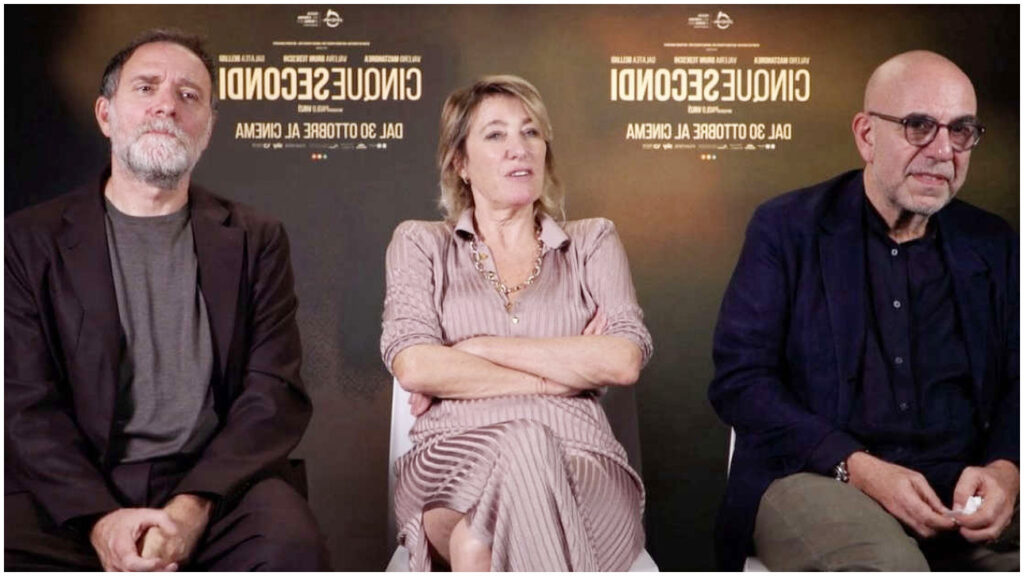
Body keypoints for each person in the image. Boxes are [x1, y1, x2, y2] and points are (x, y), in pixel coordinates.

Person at [5, 29, 329, 571]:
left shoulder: (256, 238)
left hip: (214, 486)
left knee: (290, 547)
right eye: (146, 87)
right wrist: (100, 521)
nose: (167, 105)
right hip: (72, 487)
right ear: (105, 115)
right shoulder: (26, 240)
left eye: (188, 95)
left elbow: (272, 392)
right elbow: (23, 403)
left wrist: (191, 508)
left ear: (208, 127)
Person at [709, 50, 1019, 571]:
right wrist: (857, 467)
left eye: (961, 130)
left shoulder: (993, 242)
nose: (944, 150)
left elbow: (1019, 377)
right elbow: (741, 382)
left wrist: (1008, 468)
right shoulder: (787, 229)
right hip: (818, 475)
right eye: (919, 126)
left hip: (964, 488)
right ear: (866, 135)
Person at [380, 75, 653, 571]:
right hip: (454, 458)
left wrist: (476, 348)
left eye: (530, 132)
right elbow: (416, 364)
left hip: (582, 461)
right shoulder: (421, 244)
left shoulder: (592, 242)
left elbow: (623, 359)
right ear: (460, 163)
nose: (519, 148)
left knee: (476, 545)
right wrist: (558, 376)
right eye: (495, 135)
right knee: (524, 441)